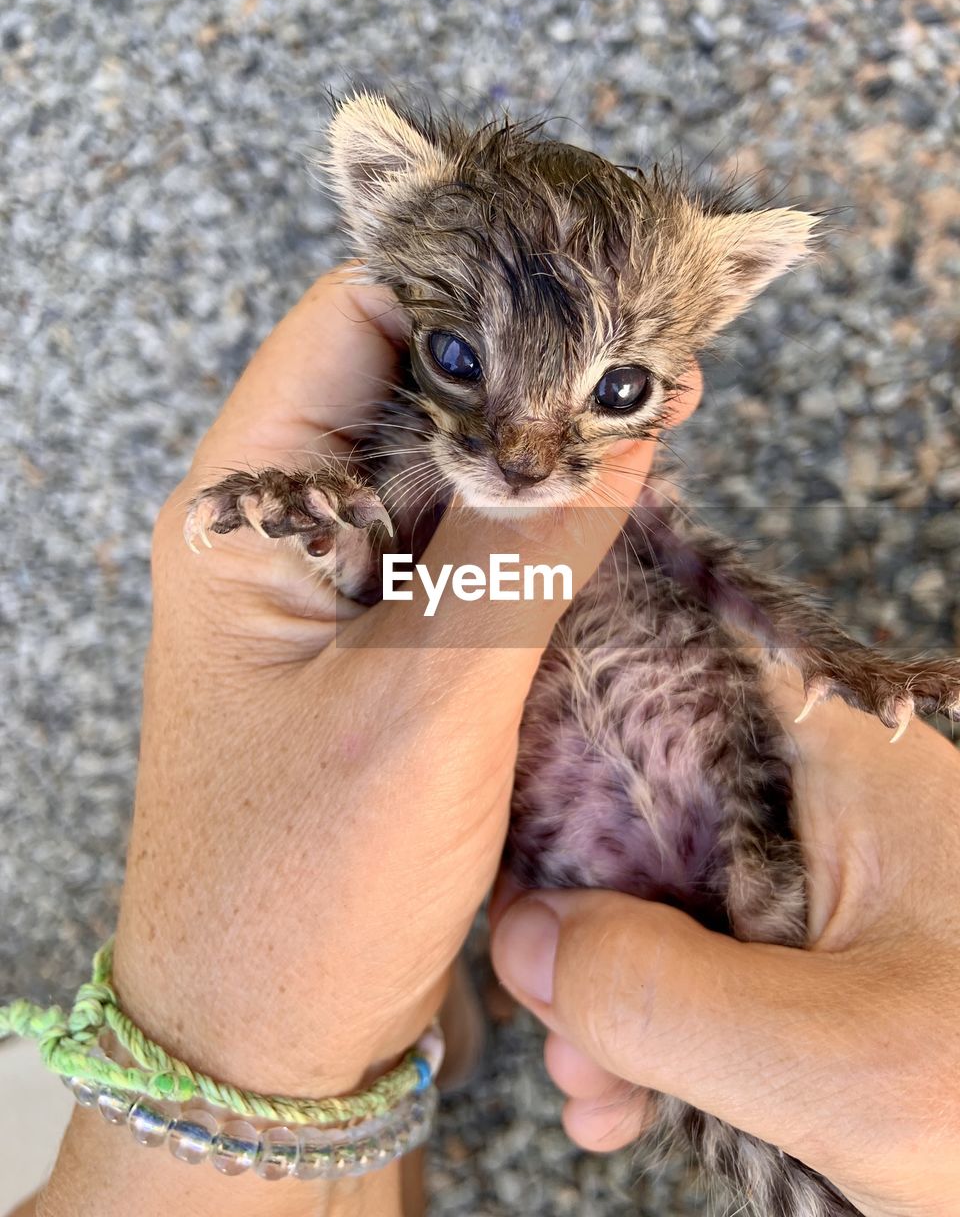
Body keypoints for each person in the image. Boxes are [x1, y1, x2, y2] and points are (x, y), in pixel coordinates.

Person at [16, 270, 960, 1217]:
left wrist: (855, 668)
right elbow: (386, 563)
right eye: (460, 361)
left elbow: (699, 573)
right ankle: (422, 1039)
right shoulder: (404, 458)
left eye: (616, 391)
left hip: (684, 842)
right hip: (623, 843)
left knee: (773, 1128)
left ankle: (419, 1035)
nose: (523, 457)